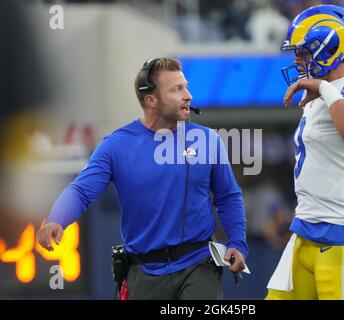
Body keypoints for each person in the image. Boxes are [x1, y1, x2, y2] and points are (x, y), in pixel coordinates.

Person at [37, 57, 248, 300]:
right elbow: (82, 191)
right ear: (151, 100)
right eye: (176, 89)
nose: (188, 95)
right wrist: (56, 219)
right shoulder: (116, 146)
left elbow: (228, 196)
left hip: (198, 266)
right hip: (144, 272)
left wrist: (237, 243)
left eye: (186, 87)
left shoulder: (208, 139)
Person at [265, 4, 344, 300]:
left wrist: (324, 87)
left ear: (330, 49)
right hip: (305, 230)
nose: (297, 61)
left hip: (343, 235)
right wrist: (322, 89)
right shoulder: (318, 96)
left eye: (304, 52)